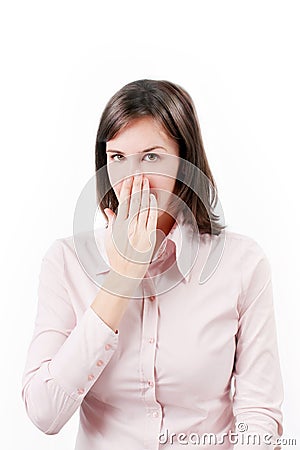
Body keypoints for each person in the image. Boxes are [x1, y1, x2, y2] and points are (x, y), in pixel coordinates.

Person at [21, 79, 284, 449]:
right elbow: (44, 412)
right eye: (117, 158)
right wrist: (122, 277)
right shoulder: (65, 262)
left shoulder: (242, 264)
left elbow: (259, 413)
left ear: (185, 162)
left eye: (151, 156)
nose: (133, 178)